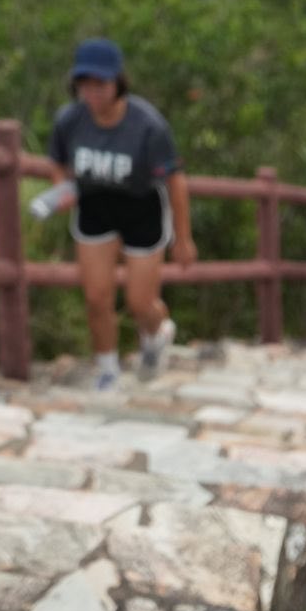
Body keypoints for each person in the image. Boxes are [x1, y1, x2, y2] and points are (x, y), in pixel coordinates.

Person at [44, 38, 198, 392]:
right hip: (94, 207)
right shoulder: (70, 119)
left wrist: (183, 239)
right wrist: (61, 188)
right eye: (84, 84)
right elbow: (57, 161)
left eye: (100, 83)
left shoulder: (148, 126)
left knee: (139, 302)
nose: (92, 92)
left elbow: (175, 181)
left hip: (141, 210)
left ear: (118, 82)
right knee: (96, 297)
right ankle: (108, 369)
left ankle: (158, 331)